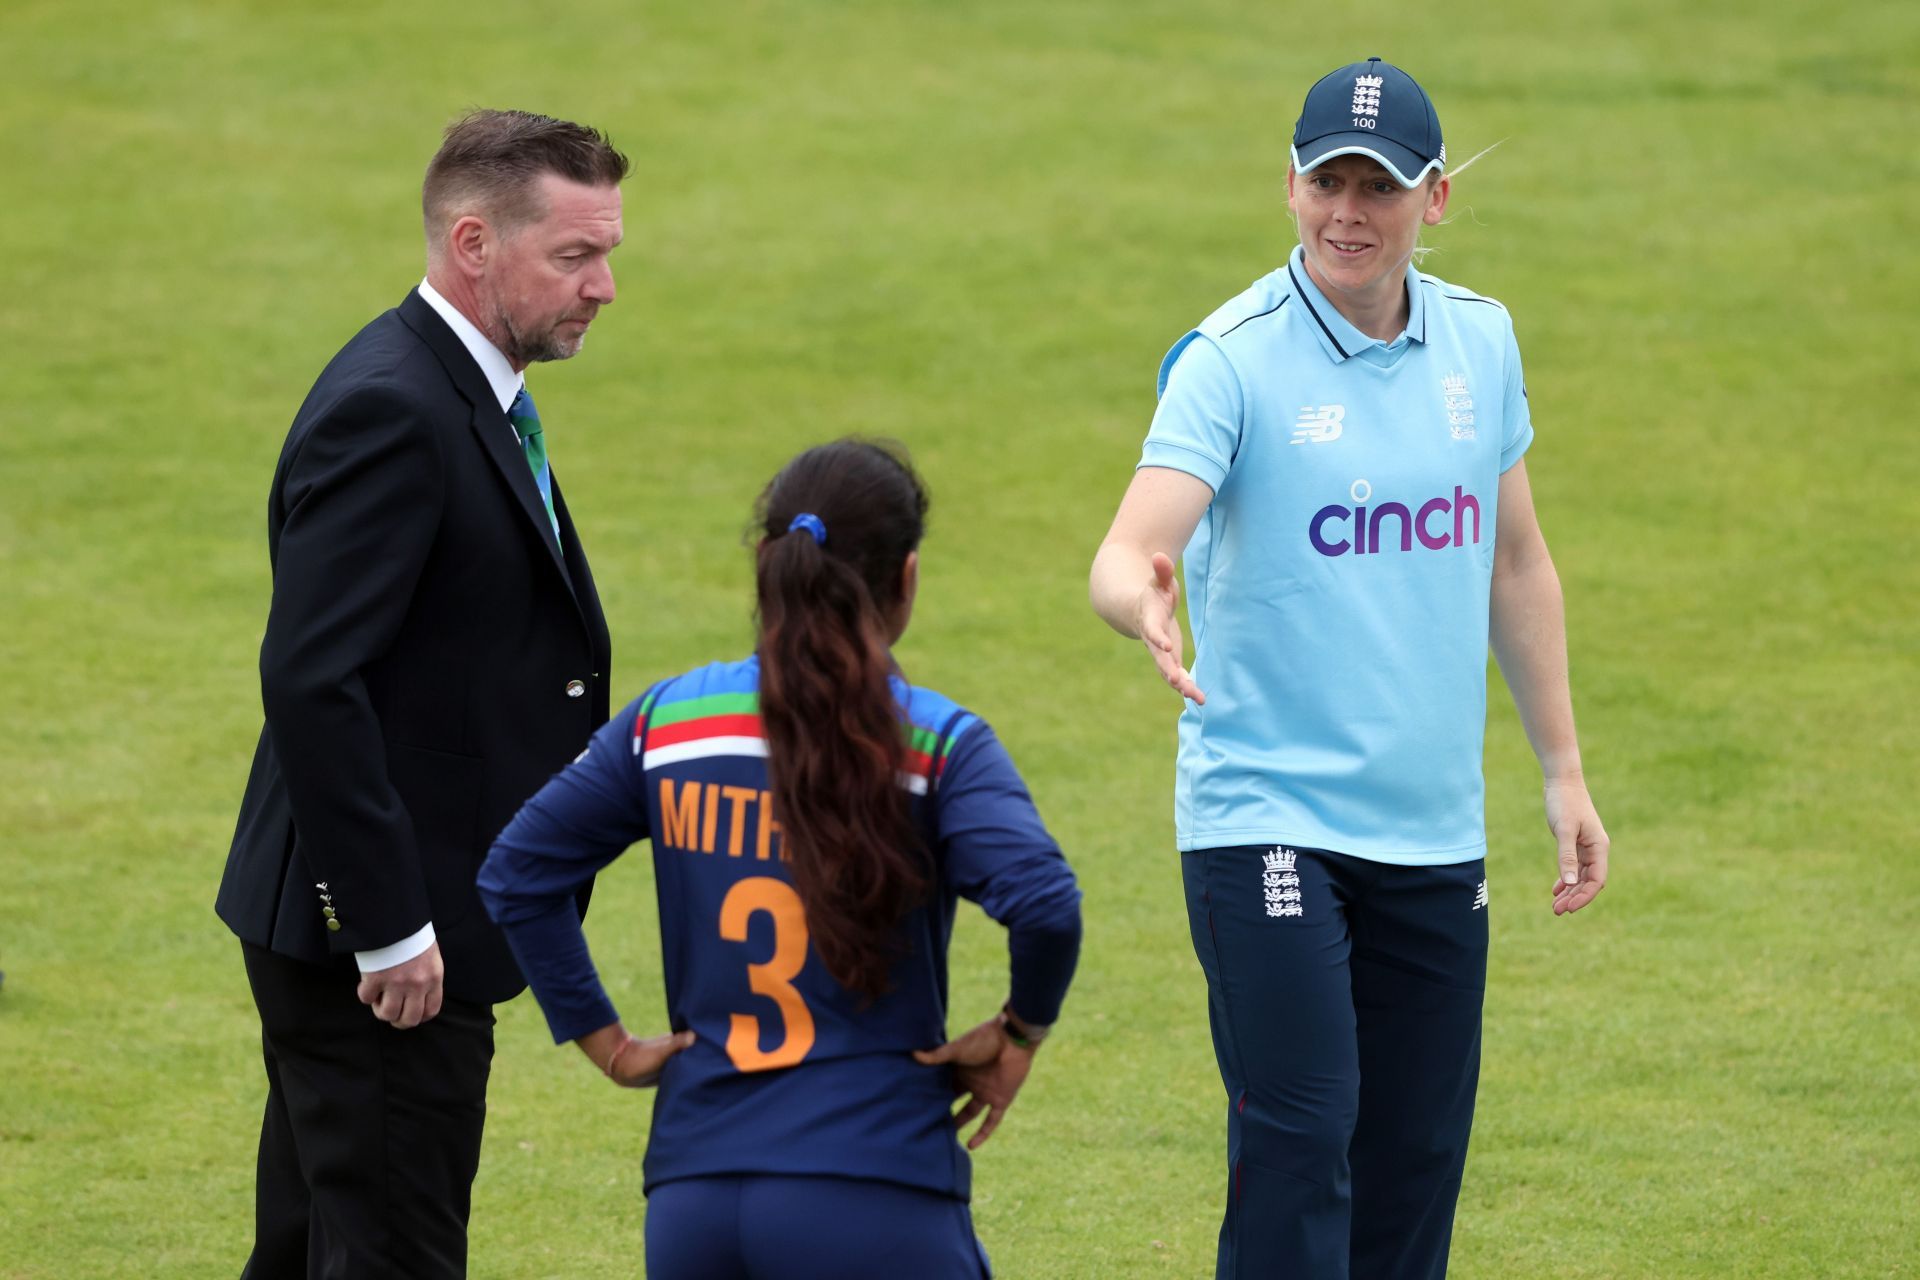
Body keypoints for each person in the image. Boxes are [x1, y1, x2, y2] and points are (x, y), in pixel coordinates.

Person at [1088, 57, 1610, 1279]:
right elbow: (1129, 546)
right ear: (1289, 184)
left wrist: (1564, 771)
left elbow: (1516, 561)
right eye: (1328, 180)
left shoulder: (1480, 345)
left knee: (1415, 1159)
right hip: (1266, 814)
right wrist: (1142, 604)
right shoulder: (1231, 357)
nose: (1348, 212)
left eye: (1380, 185)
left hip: (1433, 830)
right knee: (1303, 1133)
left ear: (1435, 199)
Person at [478, 439, 1082, 1279]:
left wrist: (607, 1041)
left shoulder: (669, 723)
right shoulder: (938, 744)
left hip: (694, 1201)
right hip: (876, 1193)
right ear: (906, 581)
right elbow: (1046, 904)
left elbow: (518, 870)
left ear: (767, 562)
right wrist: (1021, 1029)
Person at [216, 109, 629, 1278]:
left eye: (608, 253)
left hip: (396, 920)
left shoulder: (460, 389)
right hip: (386, 945)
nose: (603, 288)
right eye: (574, 256)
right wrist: (389, 926)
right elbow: (311, 673)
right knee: (393, 1254)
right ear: (473, 242)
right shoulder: (394, 407)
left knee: (313, 1248)